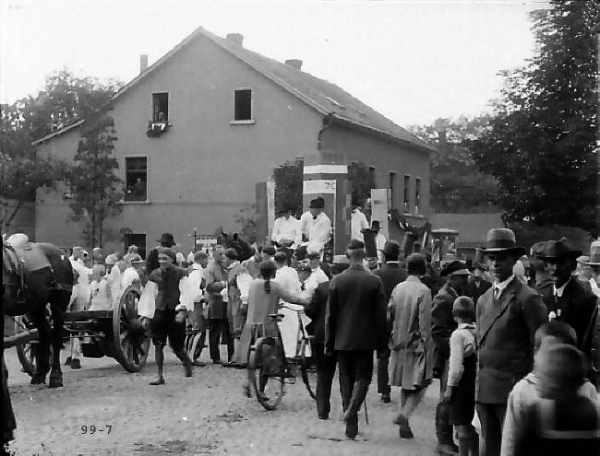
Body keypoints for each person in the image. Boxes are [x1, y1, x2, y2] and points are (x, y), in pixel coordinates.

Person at [475, 228, 547, 456]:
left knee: (512, 449)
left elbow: (541, 347)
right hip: (484, 388)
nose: (496, 264)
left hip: (512, 389)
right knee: (488, 447)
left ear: (514, 259)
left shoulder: (527, 298)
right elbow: (480, 345)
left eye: (502, 258)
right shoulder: (484, 299)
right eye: (492, 258)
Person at [501, 321, 598, 456]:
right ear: (535, 353)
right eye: (549, 355)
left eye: (560, 357)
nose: (554, 364)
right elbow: (510, 443)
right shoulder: (522, 391)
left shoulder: (588, 392)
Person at [325, 239, 388, 440]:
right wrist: (382, 344)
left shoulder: (337, 281)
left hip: (342, 339)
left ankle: (350, 427)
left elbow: (331, 316)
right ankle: (351, 412)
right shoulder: (374, 281)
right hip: (366, 339)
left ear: (348, 255)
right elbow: (381, 316)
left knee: (345, 380)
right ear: (364, 257)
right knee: (364, 378)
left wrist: (329, 343)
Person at [238, 261, 309, 391]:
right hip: (268, 327)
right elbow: (292, 298)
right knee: (268, 360)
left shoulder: (253, 284)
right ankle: (261, 390)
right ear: (273, 272)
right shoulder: (276, 286)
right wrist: (306, 302)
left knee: (251, 359)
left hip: (251, 326)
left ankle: (248, 382)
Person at [388, 253, 435, 440]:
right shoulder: (424, 291)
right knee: (422, 382)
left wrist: (391, 338)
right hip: (415, 343)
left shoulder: (397, 288)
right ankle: (405, 414)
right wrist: (426, 344)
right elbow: (424, 323)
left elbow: (389, 314)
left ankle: (404, 425)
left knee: (407, 384)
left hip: (398, 341)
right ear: (423, 269)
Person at [432, 260, 471, 455]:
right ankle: (444, 440)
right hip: (449, 354)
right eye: (462, 277)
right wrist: (455, 349)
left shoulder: (455, 295)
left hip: (455, 352)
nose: (466, 280)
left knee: (452, 397)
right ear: (451, 278)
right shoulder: (444, 298)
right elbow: (437, 333)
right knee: (446, 398)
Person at [538, 238, 597, 359]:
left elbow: (585, 342)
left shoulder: (585, 299)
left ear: (573, 265)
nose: (555, 268)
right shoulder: (542, 296)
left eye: (561, 263)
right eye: (551, 263)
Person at [305, 259, 348, 420]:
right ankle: (347, 408)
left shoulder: (322, 288)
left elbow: (311, 310)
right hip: (343, 336)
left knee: (324, 374)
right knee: (345, 374)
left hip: (322, 335)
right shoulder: (348, 289)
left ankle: (322, 409)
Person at [146, 247, 193, 385]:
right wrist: (146, 313)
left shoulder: (180, 273)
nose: (162, 261)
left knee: (176, 345)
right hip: (160, 310)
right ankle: (159, 375)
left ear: (171, 259)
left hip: (174, 311)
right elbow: (149, 294)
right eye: (160, 259)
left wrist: (182, 310)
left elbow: (186, 292)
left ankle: (186, 362)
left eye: (164, 258)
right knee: (158, 344)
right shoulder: (154, 274)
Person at [443, 296, 479, 456]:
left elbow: (456, 366)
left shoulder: (458, 335)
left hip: (462, 384)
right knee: (473, 425)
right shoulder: (477, 331)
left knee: (462, 425)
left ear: (454, 315)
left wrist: (449, 388)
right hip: (476, 381)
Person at [373, 240, 408, 404]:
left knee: (382, 356)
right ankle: (406, 387)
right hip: (402, 319)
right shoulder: (405, 275)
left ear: (385, 256)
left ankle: (384, 391)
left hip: (381, 320)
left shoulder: (378, 274)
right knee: (404, 354)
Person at [223, 249, 252, 368]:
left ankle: (241, 358)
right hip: (233, 301)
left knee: (238, 329)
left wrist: (244, 302)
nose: (223, 260)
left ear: (230, 258)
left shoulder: (240, 270)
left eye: (225, 258)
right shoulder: (233, 270)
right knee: (235, 328)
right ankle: (236, 357)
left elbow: (245, 287)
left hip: (238, 301)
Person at [204, 245, 234, 364]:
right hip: (216, 302)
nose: (223, 256)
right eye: (220, 254)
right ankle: (215, 357)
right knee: (215, 331)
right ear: (214, 254)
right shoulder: (210, 268)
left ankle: (232, 356)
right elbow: (209, 286)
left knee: (229, 330)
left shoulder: (225, 266)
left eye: (224, 254)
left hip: (227, 302)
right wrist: (223, 284)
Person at [273, 251, 305, 358]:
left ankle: (288, 356)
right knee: (295, 333)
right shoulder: (292, 271)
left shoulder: (279, 275)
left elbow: (277, 290)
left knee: (286, 335)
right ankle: (297, 354)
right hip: (296, 304)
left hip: (284, 306)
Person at [67, 246, 93, 369]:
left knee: (74, 320)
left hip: (79, 290)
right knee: (74, 321)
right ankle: (74, 354)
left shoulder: (79, 266)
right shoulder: (79, 266)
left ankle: (75, 354)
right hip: (81, 288)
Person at [187, 251, 209, 365]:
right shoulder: (196, 273)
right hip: (196, 303)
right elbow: (195, 290)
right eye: (206, 259)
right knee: (198, 330)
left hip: (193, 303)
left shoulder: (192, 270)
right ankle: (191, 357)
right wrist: (202, 297)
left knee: (196, 330)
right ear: (201, 259)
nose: (207, 262)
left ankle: (191, 355)